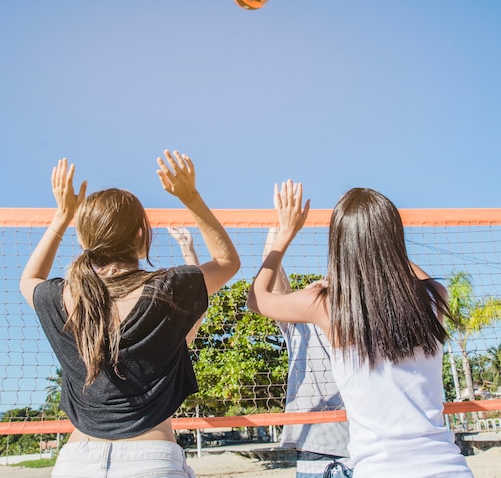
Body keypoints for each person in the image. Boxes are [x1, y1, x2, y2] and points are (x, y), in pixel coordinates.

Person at [20, 151, 240, 478]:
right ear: (141, 235)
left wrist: (62, 216)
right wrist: (190, 197)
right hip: (151, 461)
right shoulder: (169, 289)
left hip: (77, 463)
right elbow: (227, 261)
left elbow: (28, 280)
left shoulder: (62, 297)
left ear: (83, 240)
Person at [247, 181, 473, 478]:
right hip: (449, 468)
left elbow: (256, 299)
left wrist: (286, 233)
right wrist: (382, 242)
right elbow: (403, 271)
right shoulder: (434, 296)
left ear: (340, 244)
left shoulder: (328, 305)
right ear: (393, 236)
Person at [261, 228, 350, 478]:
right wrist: (277, 232)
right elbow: (272, 285)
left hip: (366, 444)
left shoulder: (359, 325)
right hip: (316, 448)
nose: (325, 284)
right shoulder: (299, 325)